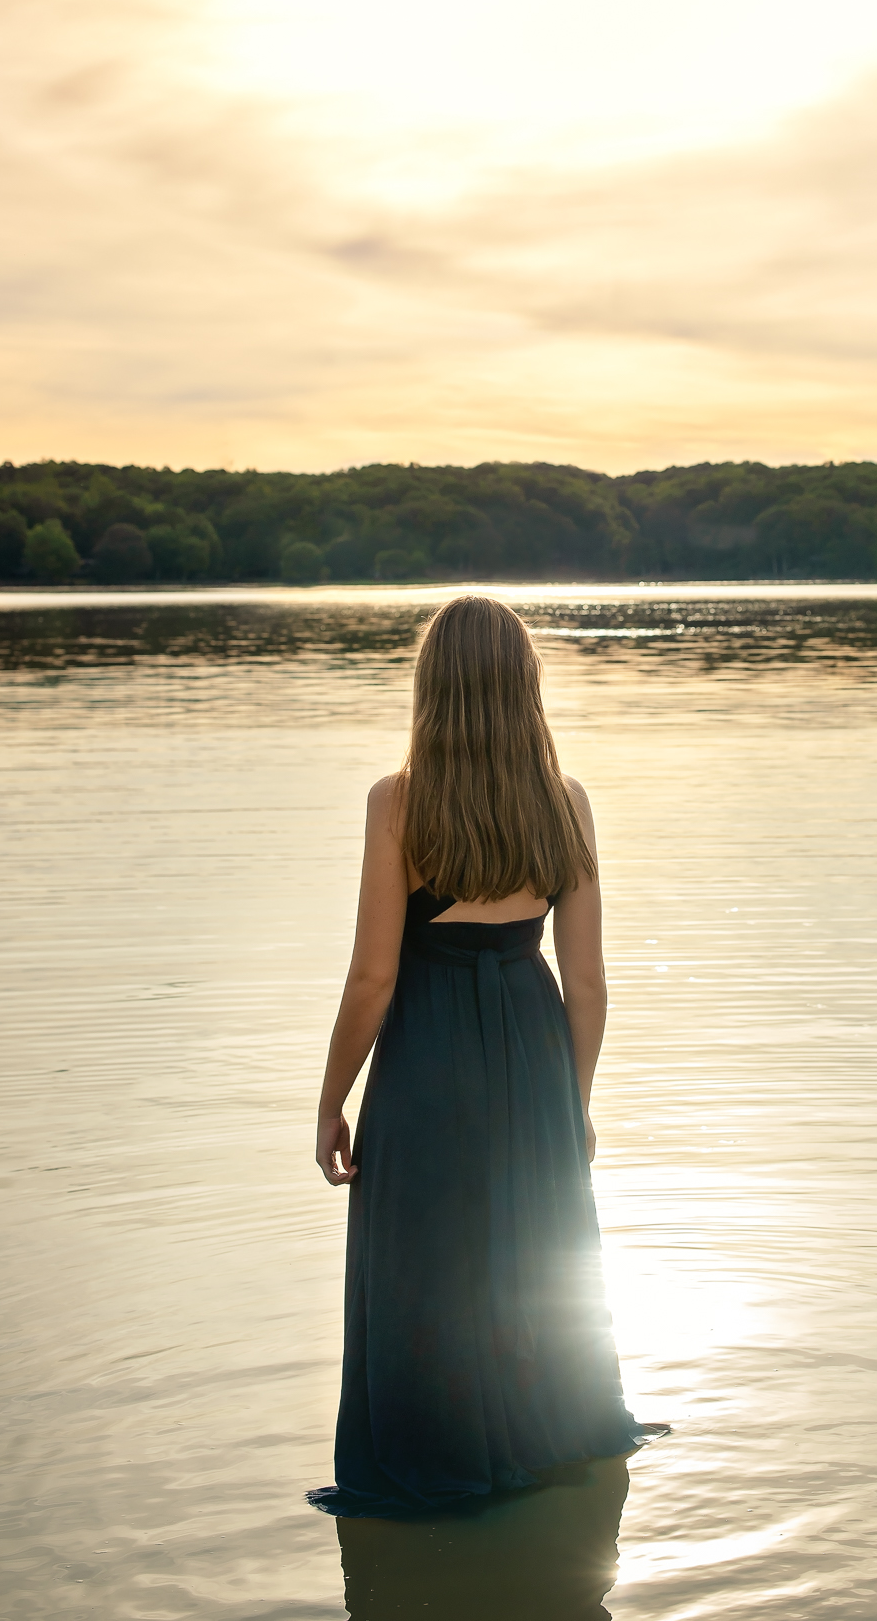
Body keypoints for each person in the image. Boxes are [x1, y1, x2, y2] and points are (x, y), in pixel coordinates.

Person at [308, 594, 662, 1516]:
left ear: (433, 688)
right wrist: (571, 1103)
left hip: (426, 1055)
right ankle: (546, 1445)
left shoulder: (400, 803)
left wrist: (329, 1101)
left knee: (423, 1263)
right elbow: (586, 984)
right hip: (533, 1052)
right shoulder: (565, 803)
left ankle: (440, 1458)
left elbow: (371, 981)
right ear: (523, 684)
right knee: (534, 1254)